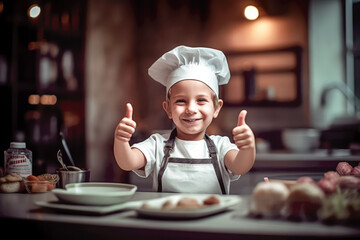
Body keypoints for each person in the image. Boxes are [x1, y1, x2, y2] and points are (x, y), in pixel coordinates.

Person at [114, 45, 255, 194]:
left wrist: (247, 148)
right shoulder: (156, 145)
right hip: (168, 216)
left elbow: (240, 166)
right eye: (181, 101)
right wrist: (121, 140)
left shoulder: (221, 146)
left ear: (216, 108)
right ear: (168, 108)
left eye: (201, 100)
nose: (191, 109)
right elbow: (127, 162)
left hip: (213, 216)